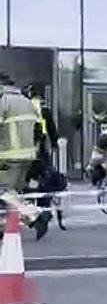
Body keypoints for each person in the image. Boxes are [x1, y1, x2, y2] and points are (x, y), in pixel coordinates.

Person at [0, 75, 51, 239]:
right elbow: (39, 130)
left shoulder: (3, 101)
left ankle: (34, 215)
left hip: (8, 154)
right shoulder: (27, 101)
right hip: (28, 155)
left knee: (3, 191)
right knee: (13, 193)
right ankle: (6, 226)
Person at [21, 84, 57, 173]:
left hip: (29, 140)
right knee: (44, 162)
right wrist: (54, 141)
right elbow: (50, 126)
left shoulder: (25, 107)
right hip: (39, 139)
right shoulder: (42, 108)